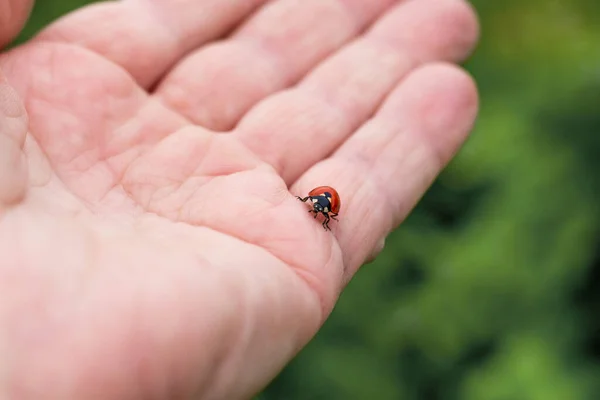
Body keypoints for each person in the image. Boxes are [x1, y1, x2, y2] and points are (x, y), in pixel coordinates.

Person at [0, 0, 479, 398]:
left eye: (319, 208)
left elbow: (322, 202)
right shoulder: (318, 203)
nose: (316, 209)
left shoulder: (323, 204)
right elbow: (316, 201)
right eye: (317, 207)